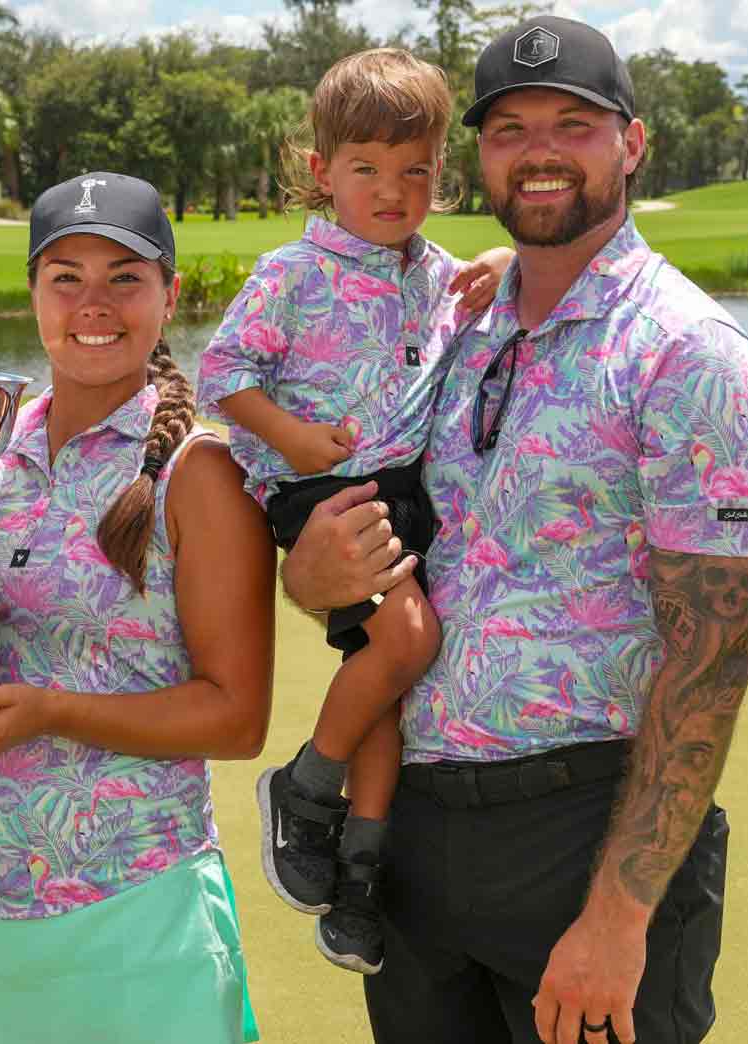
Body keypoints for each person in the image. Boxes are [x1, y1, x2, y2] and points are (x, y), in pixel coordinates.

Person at [278, 17, 748, 1044]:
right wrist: (308, 579)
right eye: (509, 128)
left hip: (585, 836)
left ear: (631, 143)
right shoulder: (457, 324)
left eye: (573, 123)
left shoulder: (689, 357)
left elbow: (712, 661)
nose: (540, 151)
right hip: (418, 839)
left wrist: (616, 916)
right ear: (480, 154)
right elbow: (365, 522)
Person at [0, 172, 276, 1043]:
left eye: (124, 278)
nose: (93, 303)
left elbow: (236, 717)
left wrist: (52, 713)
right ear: (33, 293)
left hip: (129, 908)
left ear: (170, 296)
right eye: (66, 277)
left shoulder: (198, 474)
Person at [196, 47, 512, 976]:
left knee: (389, 685)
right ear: (320, 171)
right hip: (323, 492)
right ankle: (305, 787)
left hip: (403, 492)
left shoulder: (435, 271)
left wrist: (500, 255)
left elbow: (499, 289)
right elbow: (223, 376)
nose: (393, 190)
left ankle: (360, 877)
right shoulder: (292, 272)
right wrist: (290, 437)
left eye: (415, 171)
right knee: (409, 642)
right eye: (367, 169)